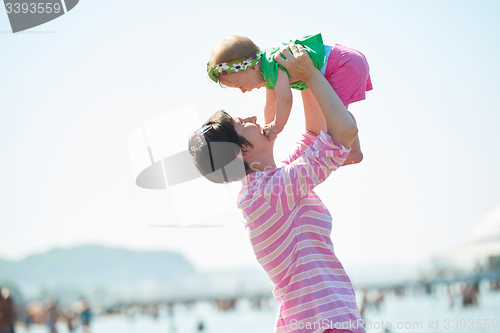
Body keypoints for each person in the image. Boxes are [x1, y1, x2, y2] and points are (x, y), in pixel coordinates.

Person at [190, 45, 364, 333]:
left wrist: (306, 72)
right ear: (240, 152)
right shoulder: (266, 193)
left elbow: (314, 136)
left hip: (324, 319)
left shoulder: (267, 185)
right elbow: (343, 134)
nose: (253, 118)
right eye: (242, 123)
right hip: (323, 322)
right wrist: (309, 74)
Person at [207, 33, 372, 165]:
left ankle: (353, 151)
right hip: (346, 61)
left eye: (240, 85)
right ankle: (353, 151)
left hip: (343, 66)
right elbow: (270, 104)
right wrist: (267, 127)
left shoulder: (274, 65)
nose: (243, 91)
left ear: (253, 67)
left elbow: (285, 99)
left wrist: (277, 126)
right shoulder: (267, 69)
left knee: (334, 118)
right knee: (335, 114)